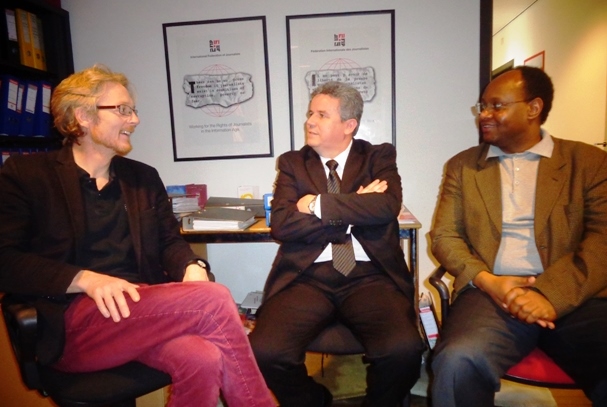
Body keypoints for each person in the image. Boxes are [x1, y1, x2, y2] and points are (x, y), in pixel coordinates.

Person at [0, 64, 275, 407]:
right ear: (83, 115)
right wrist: (86, 279)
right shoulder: (28, 175)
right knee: (214, 299)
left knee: (203, 358)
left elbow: (169, 242)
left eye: (133, 110)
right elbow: (6, 260)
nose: (135, 119)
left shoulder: (142, 178)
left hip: (140, 312)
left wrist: (191, 266)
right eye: (122, 109)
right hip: (74, 323)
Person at [430, 66, 607, 406]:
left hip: (576, 295)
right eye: (483, 106)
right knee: (457, 360)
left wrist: (546, 294)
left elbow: (602, 241)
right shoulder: (463, 166)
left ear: (533, 108)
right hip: (490, 297)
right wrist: (489, 281)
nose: (484, 115)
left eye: (496, 106)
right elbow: (445, 236)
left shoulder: (588, 163)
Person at [249, 81, 424, 407]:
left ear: (349, 125)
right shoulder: (293, 163)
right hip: (306, 277)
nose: (310, 121)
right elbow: (283, 224)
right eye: (310, 113)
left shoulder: (378, 156)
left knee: (404, 351)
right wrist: (356, 206)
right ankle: (314, 399)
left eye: (321, 115)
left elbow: (386, 206)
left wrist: (316, 204)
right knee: (265, 351)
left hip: (370, 276)